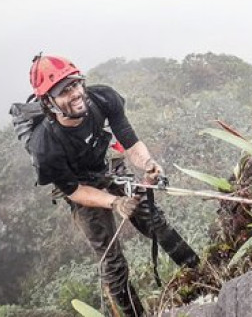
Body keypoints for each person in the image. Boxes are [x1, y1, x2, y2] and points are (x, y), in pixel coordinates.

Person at [27, 54, 199, 316]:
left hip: (107, 166)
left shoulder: (103, 99)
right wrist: (115, 202)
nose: (75, 94)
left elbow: (129, 142)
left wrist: (149, 163)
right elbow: (74, 191)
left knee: (153, 220)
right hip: (81, 186)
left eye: (75, 84)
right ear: (49, 102)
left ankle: (197, 271)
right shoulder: (45, 147)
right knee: (113, 261)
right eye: (64, 91)